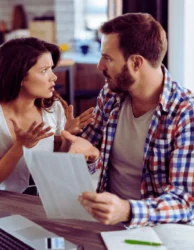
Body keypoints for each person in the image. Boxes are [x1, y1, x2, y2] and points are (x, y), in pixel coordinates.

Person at [62, 13, 194, 228]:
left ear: (136, 62)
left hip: (161, 230)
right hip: (108, 223)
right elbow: (91, 154)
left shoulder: (186, 113)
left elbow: (185, 201)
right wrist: (88, 154)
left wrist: (127, 211)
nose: (99, 65)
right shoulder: (111, 95)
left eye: (108, 57)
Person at [0, 37, 95, 194]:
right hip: (3, 204)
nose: (53, 77)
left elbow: (54, 170)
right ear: (19, 76)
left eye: (51, 69)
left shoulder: (53, 108)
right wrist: (20, 146)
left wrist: (66, 138)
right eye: (44, 71)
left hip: (46, 200)